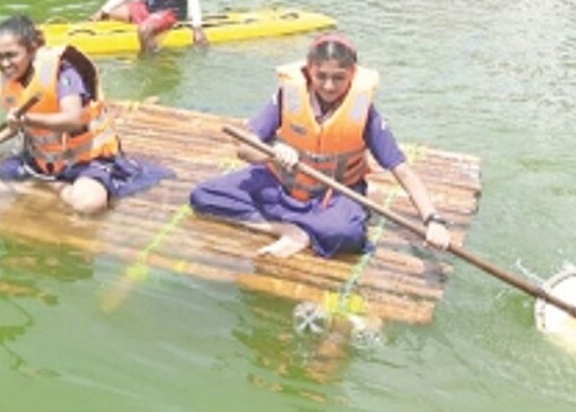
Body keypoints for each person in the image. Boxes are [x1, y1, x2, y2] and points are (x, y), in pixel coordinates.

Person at [190, 33, 451, 258]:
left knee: (345, 235)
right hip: (282, 186)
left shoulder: (364, 110)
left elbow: (402, 170)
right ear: (309, 71)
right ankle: (288, 230)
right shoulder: (288, 95)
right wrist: (272, 154)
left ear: (352, 74)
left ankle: (303, 227)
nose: (328, 86)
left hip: (332, 196)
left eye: (338, 78)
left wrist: (432, 220)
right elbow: (244, 148)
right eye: (321, 76)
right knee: (203, 196)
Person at [0, 15, 173, 213]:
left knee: (88, 204)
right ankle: (45, 187)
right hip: (41, 162)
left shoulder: (63, 71)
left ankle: (48, 189)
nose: (5, 63)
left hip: (85, 160)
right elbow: (16, 125)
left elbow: (73, 120)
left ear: (32, 49)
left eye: (11, 55)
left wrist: (27, 119)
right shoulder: (11, 78)